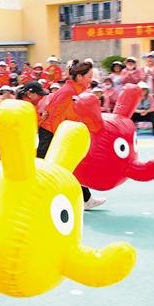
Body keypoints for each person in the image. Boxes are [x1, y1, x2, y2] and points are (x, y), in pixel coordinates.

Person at [38, 59, 105, 210]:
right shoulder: (68, 92)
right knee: (46, 168)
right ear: (80, 77)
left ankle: (85, 198)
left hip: (58, 133)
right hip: (51, 134)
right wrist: (60, 139)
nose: (91, 80)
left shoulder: (75, 91)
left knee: (73, 164)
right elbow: (55, 116)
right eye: (89, 77)